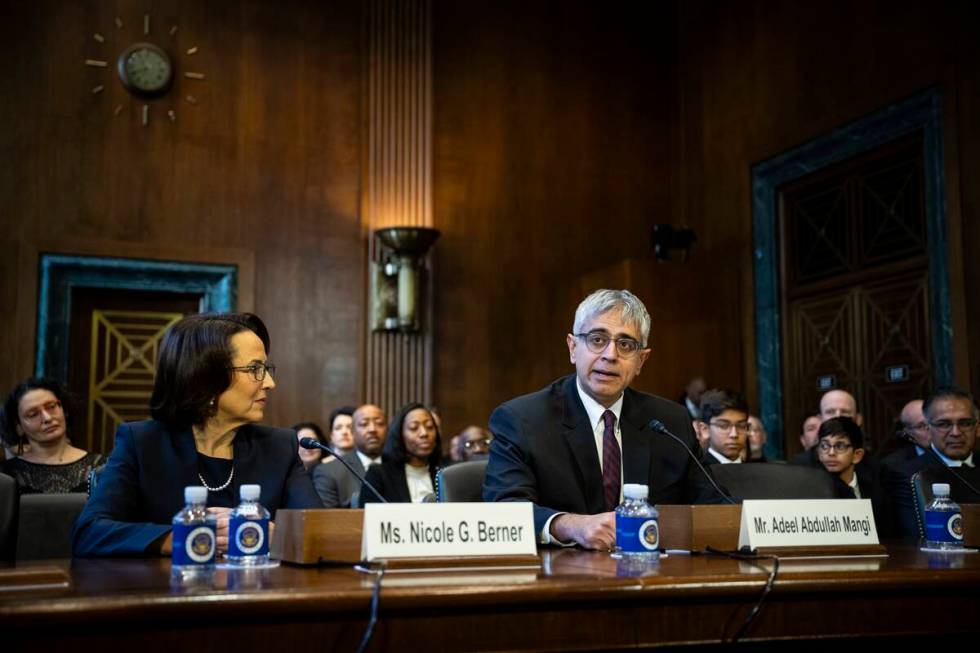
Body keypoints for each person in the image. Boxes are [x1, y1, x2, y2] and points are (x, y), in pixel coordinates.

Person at [483, 289, 725, 550]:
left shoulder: (670, 421)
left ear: (641, 360)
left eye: (626, 345)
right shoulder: (522, 420)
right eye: (597, 340)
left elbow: (715, 505)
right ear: (573, 348)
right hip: (561, 579)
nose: (610, 355)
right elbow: (504, 508)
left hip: (652, 577)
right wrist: (571, 525)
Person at [72, 313, 322, 557]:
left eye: (266, 368)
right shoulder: (143, 443)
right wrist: (185, 537)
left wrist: (277, 537)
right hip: (168, 592)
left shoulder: (279, 446)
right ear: (206, 379)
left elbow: (320, 533)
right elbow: (89, 533)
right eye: (255, 368)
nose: (269, 382)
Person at [883, 387, 980, 539]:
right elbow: (914, 538)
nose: (955, 432)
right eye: (944, 424)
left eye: (965, 423)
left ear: (977, 428)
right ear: (928, 429)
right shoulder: (909, 475)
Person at [0, 378, 105, 495]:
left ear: (64, 410)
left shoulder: (102, 467)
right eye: (33, 414)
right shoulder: (5, 474)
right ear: (19, 427)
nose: (47, 418)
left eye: (51, 407)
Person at [358, 403, 441, 504]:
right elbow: (366, 517)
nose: (424, 433)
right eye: (414, 428)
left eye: (429, 427)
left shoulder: (446, 473)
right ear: (399, 435)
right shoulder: (379, 475)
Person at [312, 403, 386, 507]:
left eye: (379, 423)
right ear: (353, 431)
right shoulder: (329, 471)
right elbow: (325, 518)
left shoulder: (400, 466)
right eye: (364, 424)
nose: (372, 429)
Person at [696, 389, 749, 465]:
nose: (734, 434)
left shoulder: (757, 472)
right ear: (705, 429)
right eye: (723, 426)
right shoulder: (696, 472)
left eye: (741, 426)